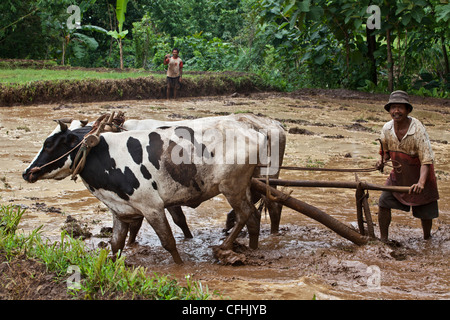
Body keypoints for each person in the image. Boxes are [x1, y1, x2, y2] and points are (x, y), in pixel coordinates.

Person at [375, 90, 439, 242]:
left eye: (400, 107)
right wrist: (382, 161)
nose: (396, 111)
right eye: (393, 107)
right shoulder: (387, 129)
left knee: (425, 212)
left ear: (408, 110)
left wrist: (421, 183)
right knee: (383, 202)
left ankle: (427, 239)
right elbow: (385, 151)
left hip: (419, 175)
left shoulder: (417, 130)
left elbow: (426, 160)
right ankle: (383, 240)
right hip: (399, 175)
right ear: (389, 110)